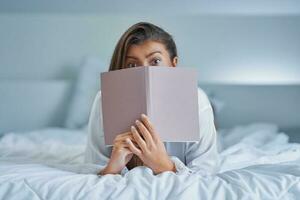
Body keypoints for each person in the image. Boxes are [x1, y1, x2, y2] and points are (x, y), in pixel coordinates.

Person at [84, 22, 220, 176]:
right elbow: (92, 167)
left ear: (173, 64)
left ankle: (216, 117)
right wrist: (112, 168)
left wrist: (165, 165)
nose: (144, 71)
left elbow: (206, 175)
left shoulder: (197, 100)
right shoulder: (104, 100)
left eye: (155, 61)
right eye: (132, 64)